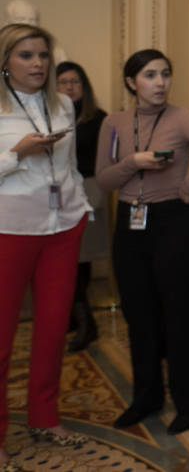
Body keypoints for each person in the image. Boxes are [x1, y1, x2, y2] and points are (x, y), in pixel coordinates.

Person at [95, 50, 189, 435]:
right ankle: (147, 397)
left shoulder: (182, 118)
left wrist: (188, 184)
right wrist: (133, 164)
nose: (160, 83)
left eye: (165, 74)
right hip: (130, 225)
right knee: (138, 315)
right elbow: (103, 180)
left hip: (174, 222)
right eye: (150, 75)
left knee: (181, 314)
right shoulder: (113, 124)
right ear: (131, 82)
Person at [0, 24, 91, 470]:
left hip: (63, 225)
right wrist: (17, 153)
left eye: (42, 55)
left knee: (54, 328)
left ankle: (44, 415)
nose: (37, 64)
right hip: (10, 230)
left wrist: (82, 205)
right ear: (5, 61)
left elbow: (69, 165)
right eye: (25, 56)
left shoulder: (63, 103)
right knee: (1, 340)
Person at [55, 62, 109, 353]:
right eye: (63, 82)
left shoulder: (99, 118)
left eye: (75, 81)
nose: (70, 87)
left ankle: (86, 323)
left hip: (89, 190)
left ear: (84, 86)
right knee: (66, 259)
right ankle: (77, 319)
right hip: (58, 193)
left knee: (82, 259)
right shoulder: (50, 117)